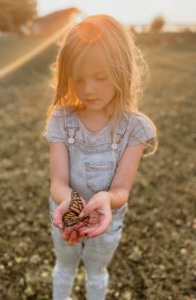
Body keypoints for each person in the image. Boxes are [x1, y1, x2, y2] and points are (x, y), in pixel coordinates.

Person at [42, 14, 158, 300]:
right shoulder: (61, 119)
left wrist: (105, 200)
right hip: (65, 214)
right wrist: (71, 205)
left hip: (107, 221)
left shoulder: (135, 128)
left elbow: (120, 189)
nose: (88, 89)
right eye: (78, 79)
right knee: (64, 267)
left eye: (100, 77)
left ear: (122, 70)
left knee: (96, 272)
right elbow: (57, 181)